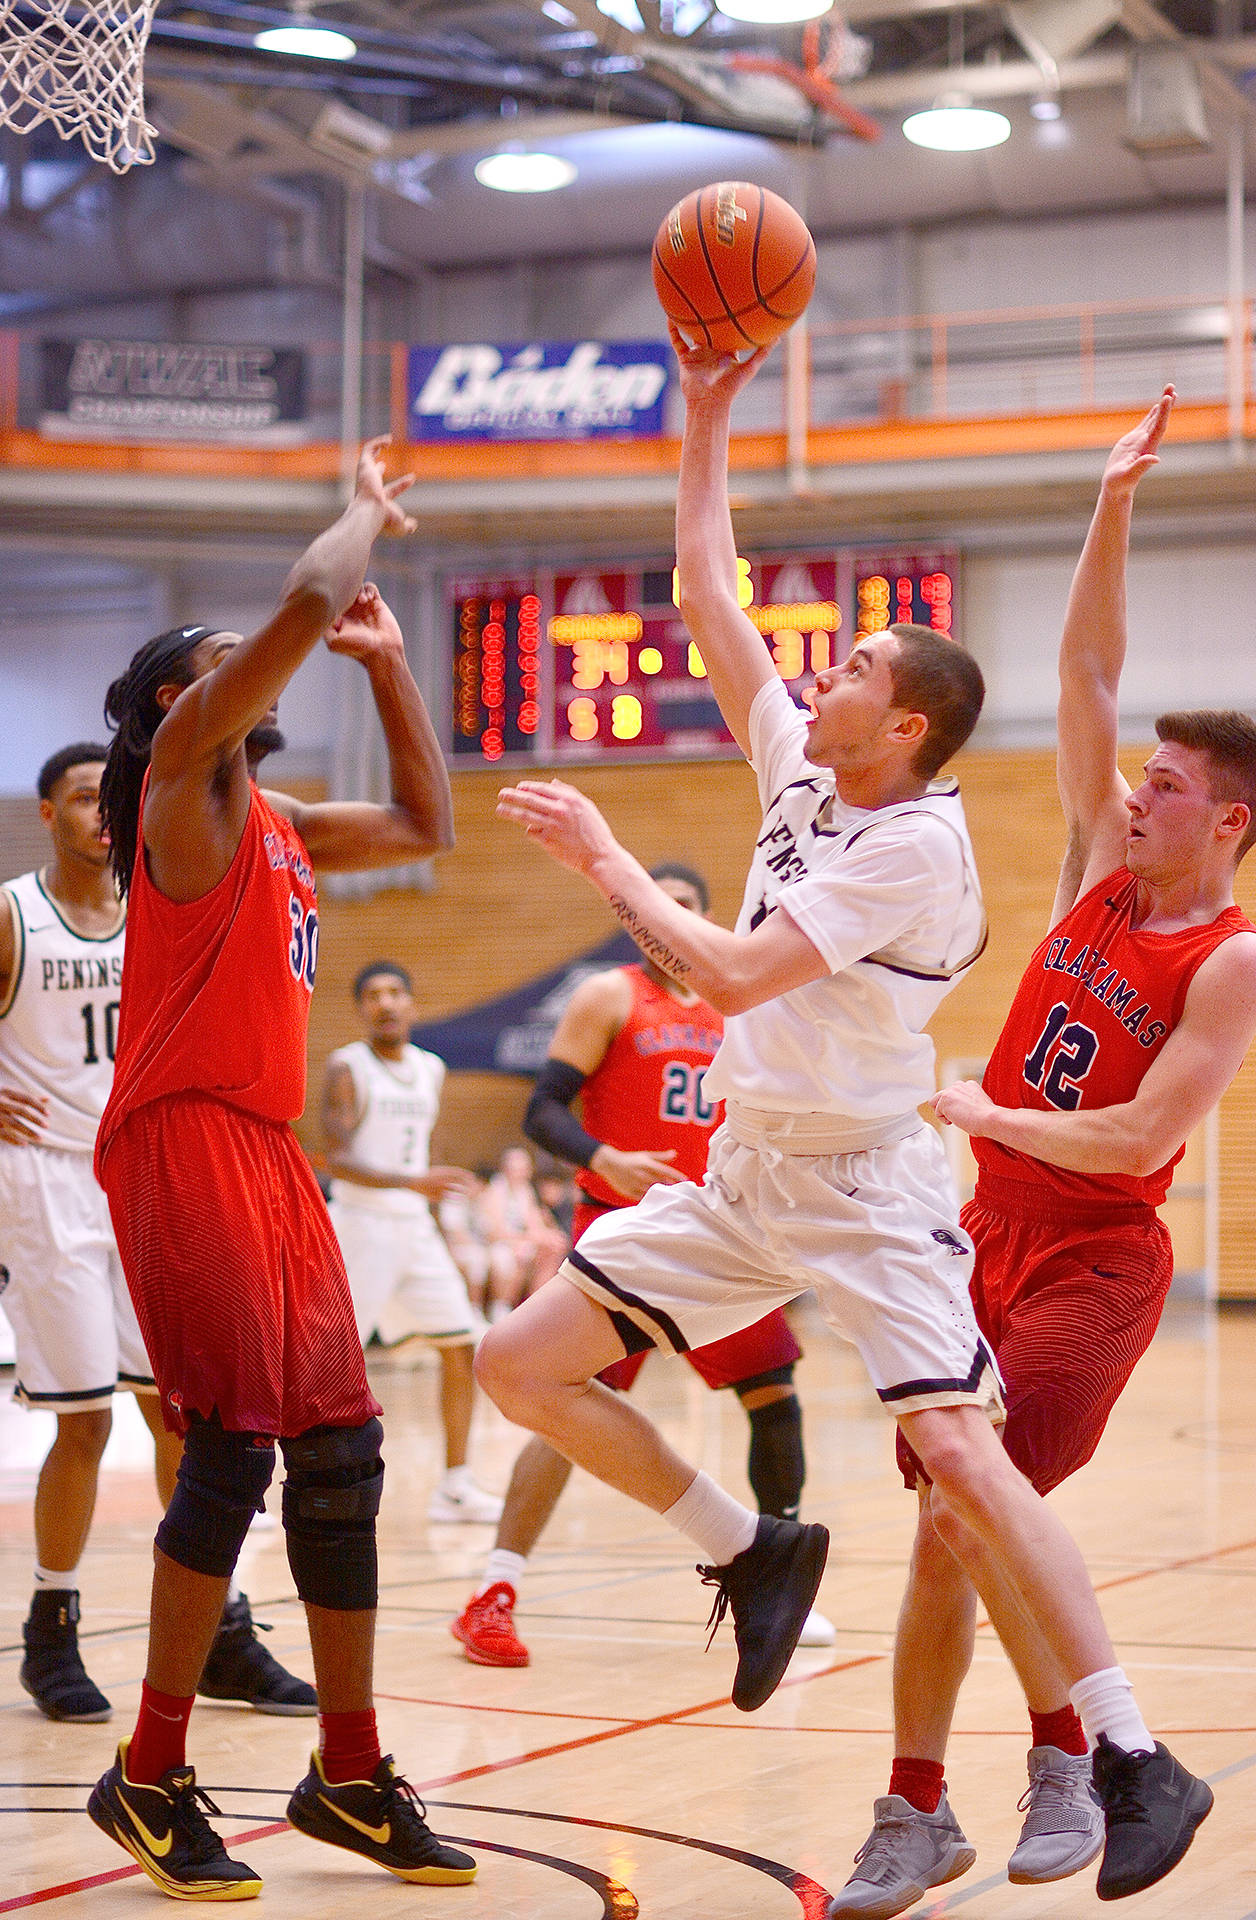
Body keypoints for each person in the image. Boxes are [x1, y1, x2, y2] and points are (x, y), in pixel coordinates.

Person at [479, 334, 1213, 1905]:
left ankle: (1132, 1749)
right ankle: (750, 1548)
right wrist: (713, 405)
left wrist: (610, 863)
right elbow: (704, 588)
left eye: (857, 671)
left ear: (906, 734)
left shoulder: (917, 853)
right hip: (749, 1169)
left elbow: (736, 976)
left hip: (877, 1189)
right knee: (517, 1362)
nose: (821, 675)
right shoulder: (813, 775)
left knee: (961, 1458)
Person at [831, 389, 1256, 1918]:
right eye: (1137, 777)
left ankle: (1042, 1765)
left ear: (1230, 823)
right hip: (977, 1240)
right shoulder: (1095, 856)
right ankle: (936, 1802)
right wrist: (1113, 500)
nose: (1134, 793)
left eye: (1167, 790)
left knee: (971, 1503)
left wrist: (997, 1117)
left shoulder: (1227, 954)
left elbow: (1149, 1130)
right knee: (946, 1517)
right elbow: (1082, 664)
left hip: (1090, 1257)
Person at [85, 446, 476, 1898]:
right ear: (171, 704)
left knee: (341, 1453)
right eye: (216, 661)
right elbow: (302, 600)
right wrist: (363, 520)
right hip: (181, 1137)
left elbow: (433, 825)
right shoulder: (184, 778)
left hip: (265, 1152)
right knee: (236, 1449)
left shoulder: (287, 826)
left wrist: (388, 667)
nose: (250, 670)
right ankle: (146, 1774)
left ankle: (354, 1772)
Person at [0, 743, 313, 1726]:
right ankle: (51, 1626)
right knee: (83, 1419)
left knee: (189, 1420)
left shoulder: (165, 907)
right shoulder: (4, 918)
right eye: (82, 799)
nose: (100, 814)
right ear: (47, 814)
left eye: (108, 798)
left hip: (151, 1173)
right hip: (43, 1188)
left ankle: (220, 1631)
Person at [452, 860, 834, 1666]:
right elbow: (540, 1109)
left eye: (685, 907)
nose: (668, 919)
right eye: (655, 908)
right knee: (558, 1404)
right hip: (623, 1226)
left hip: (717, 1238)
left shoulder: (740, 1006)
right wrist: (603, 1155)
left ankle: (777, 1576)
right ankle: (495, 1589)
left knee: (774, 1395)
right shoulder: (608, 996)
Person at [322, 959, 502, 1523]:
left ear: (412, 1005)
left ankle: (455, 1486)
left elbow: (426, 1147)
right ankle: (271, 1485)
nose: (386, 1003)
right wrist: (414, 1182)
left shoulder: (431, 1069)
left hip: (414, 1228)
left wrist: (435, 1194)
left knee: (460, 1343)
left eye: (396, 992)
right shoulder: (346, 1067)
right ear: (361, 1010)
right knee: (325, 1364)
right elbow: (337, 1158)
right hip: (360, 1226)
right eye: (373, 994)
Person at [477, 1143, 568, 1317]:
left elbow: (534, 1223)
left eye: (524, 1169)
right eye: (516, 1169)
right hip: (495, 1242)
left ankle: (537, 1306)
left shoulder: (525, 1190)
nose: (521, 1173)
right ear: (505, 1169)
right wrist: (527, 1239)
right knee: (512, 1255)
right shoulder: (494, 1191)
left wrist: (547, 1236)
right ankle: (501, 1306)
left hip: (519, 1241)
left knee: (554, 1246)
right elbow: (494, 1232)